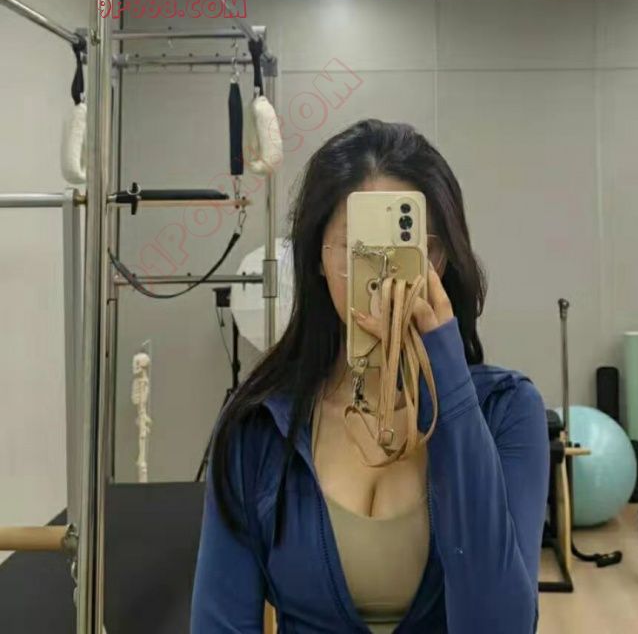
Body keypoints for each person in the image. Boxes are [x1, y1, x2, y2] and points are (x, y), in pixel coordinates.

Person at [190, 119, 550, 633]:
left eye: (403, 249)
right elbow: (219, 622)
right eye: (357, 249)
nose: (380, 273)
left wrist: (446, 371)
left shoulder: (506, 411)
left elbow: (499, 625)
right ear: (317, 257)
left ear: (439, 259)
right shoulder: (258, 427)